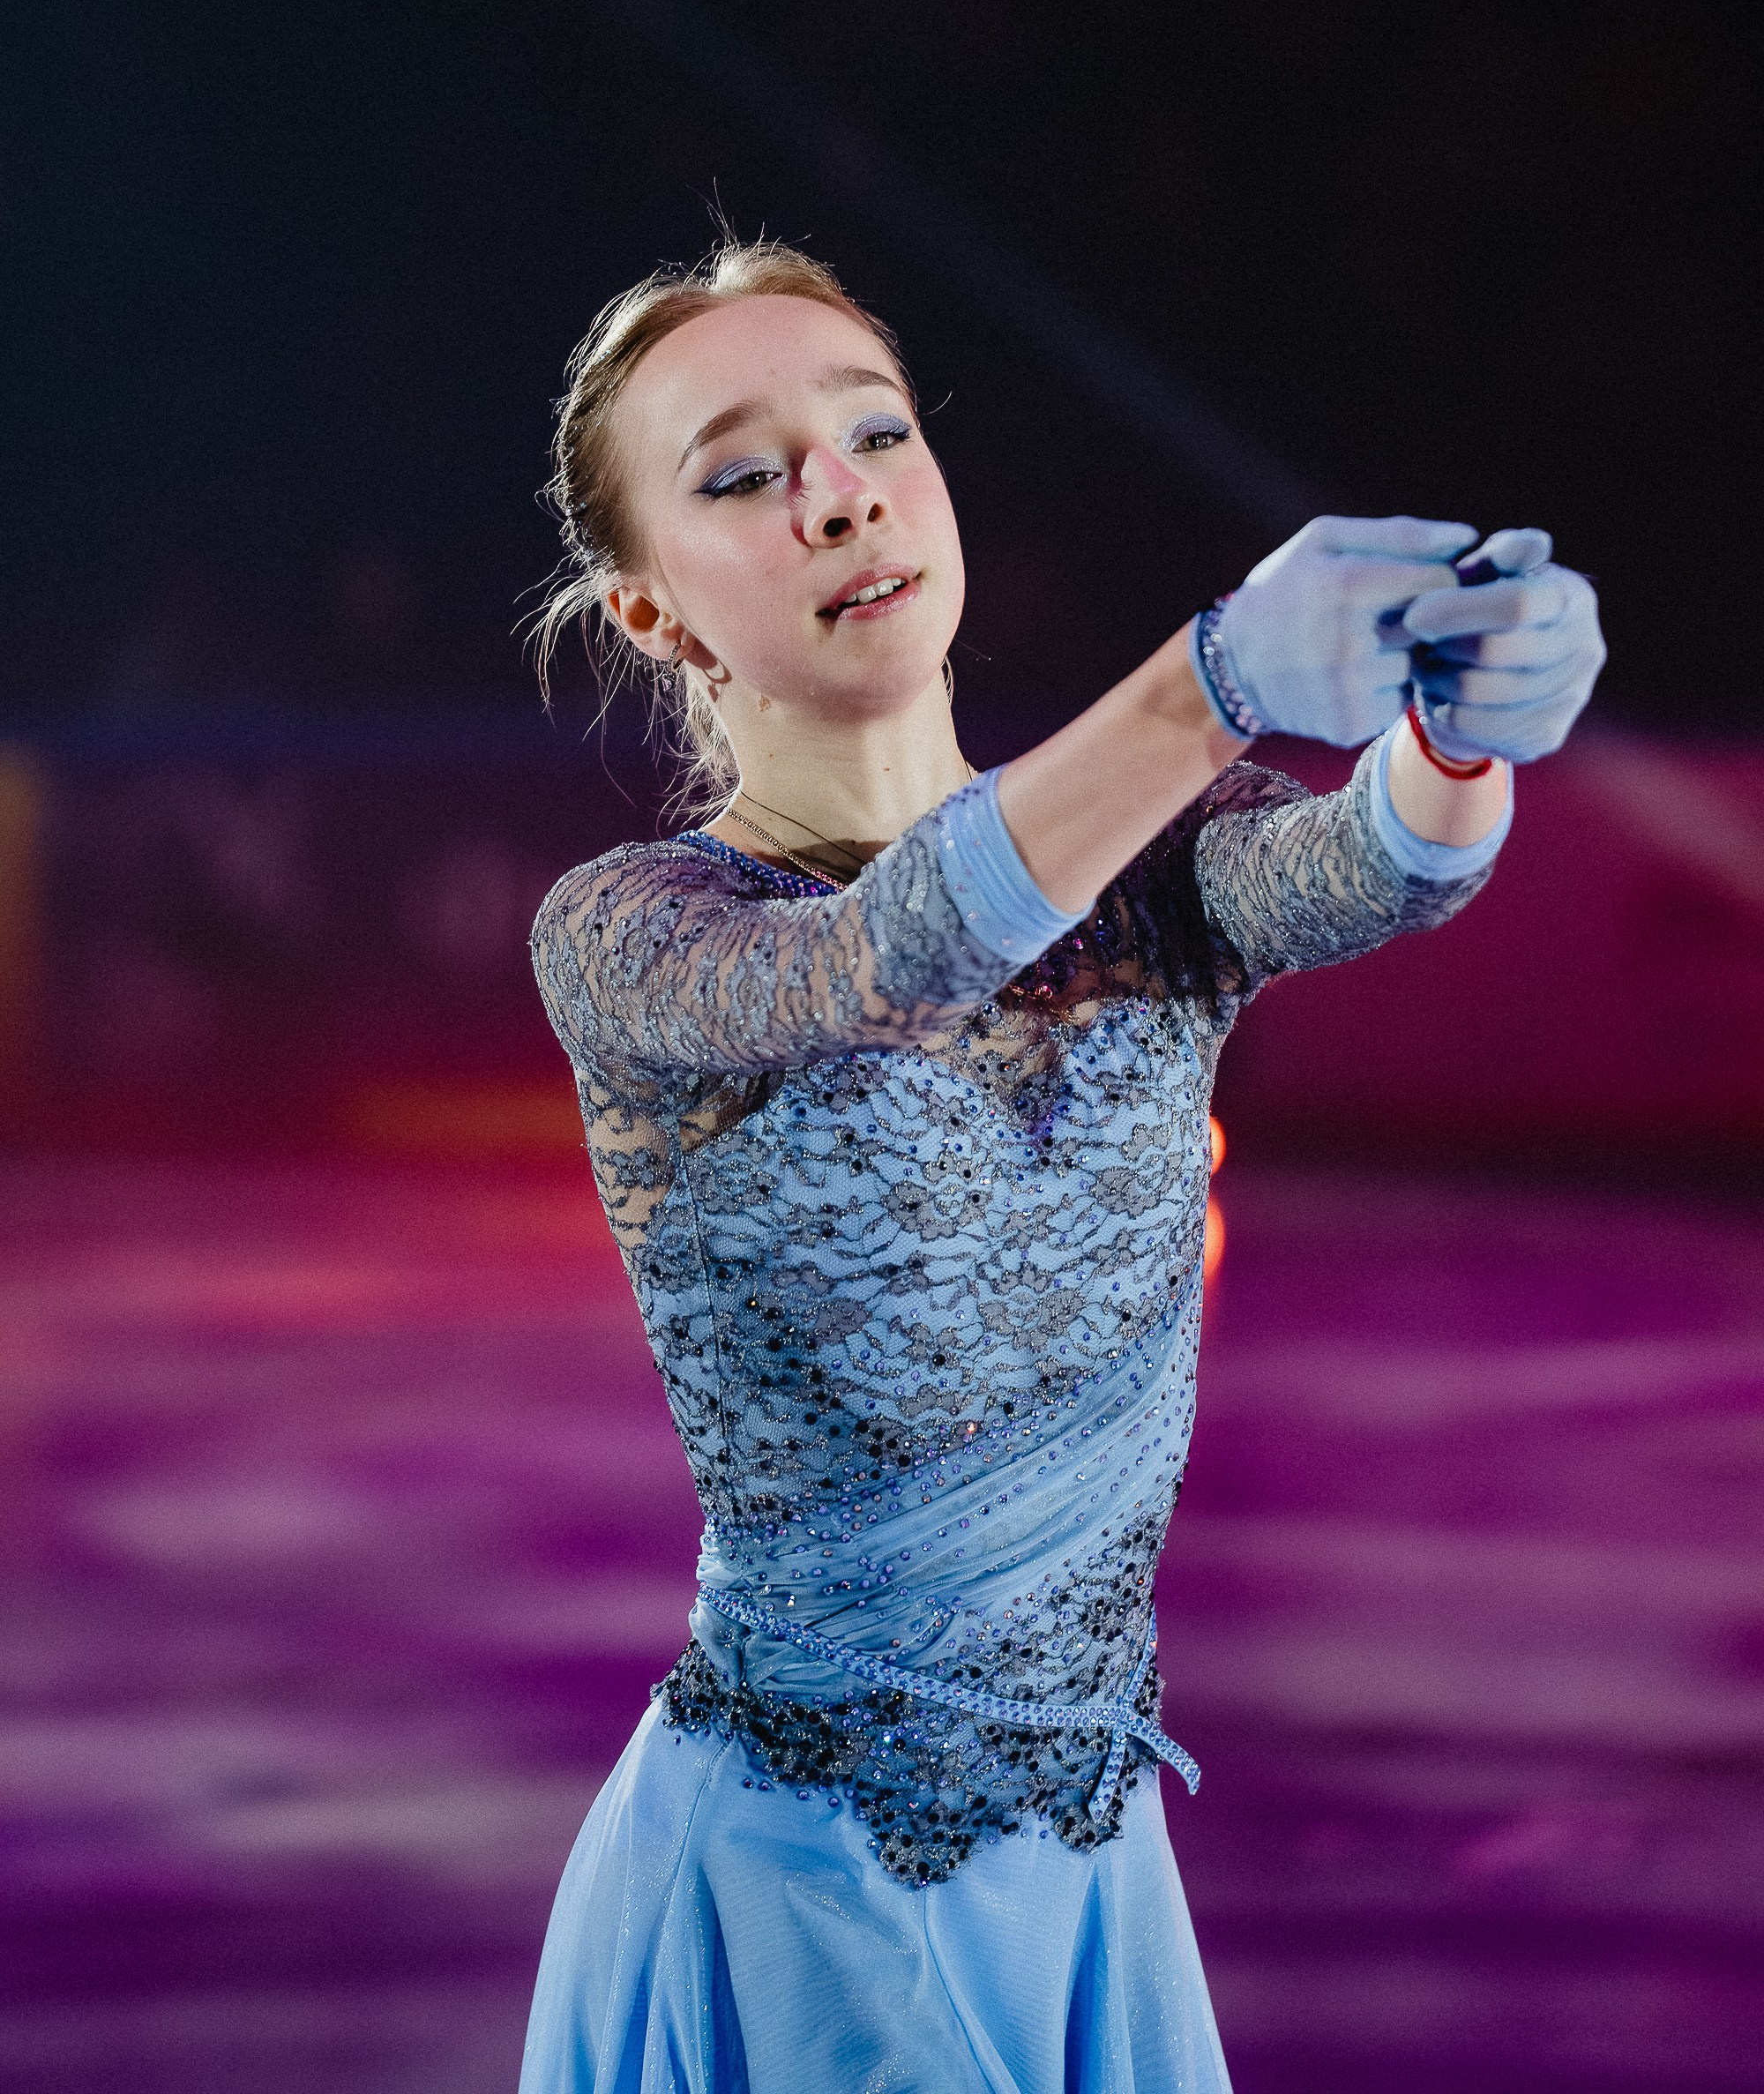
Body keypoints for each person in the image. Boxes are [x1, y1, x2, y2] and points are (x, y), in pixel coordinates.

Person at [519, 239, 1604, 2093]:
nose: (838, 492)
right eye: (740, 471)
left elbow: (1372, 861)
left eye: (872, 431)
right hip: (808, 1889)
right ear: (654, 618)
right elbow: (877, 961)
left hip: (1095, 1877)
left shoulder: (1158, 878)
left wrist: (1458, 727)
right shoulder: (628, 931)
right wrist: (1208, 685)